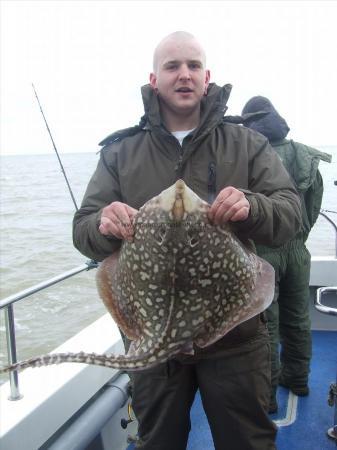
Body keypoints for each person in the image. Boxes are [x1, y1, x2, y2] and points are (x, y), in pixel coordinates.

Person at [73, 32, 302, 450]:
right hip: (152, 337)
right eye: (172, 66)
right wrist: (103, 223)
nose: (184, 75)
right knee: (158, 441)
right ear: (154, 78)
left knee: (246, 442)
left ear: (207, 76)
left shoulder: (247, 144)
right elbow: (83, 231)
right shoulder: (120, 153)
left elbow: (290, 215)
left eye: (193, 66)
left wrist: (253, 207)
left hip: (234, 337)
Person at [242, 96, 332, 413]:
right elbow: (313, 204)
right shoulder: (303, 154)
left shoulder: (248, 158)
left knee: (266, 326)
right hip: (298, 251)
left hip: (264, 254)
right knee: (299, 318)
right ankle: (299, 379)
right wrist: (300, 238)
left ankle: (266, 398)